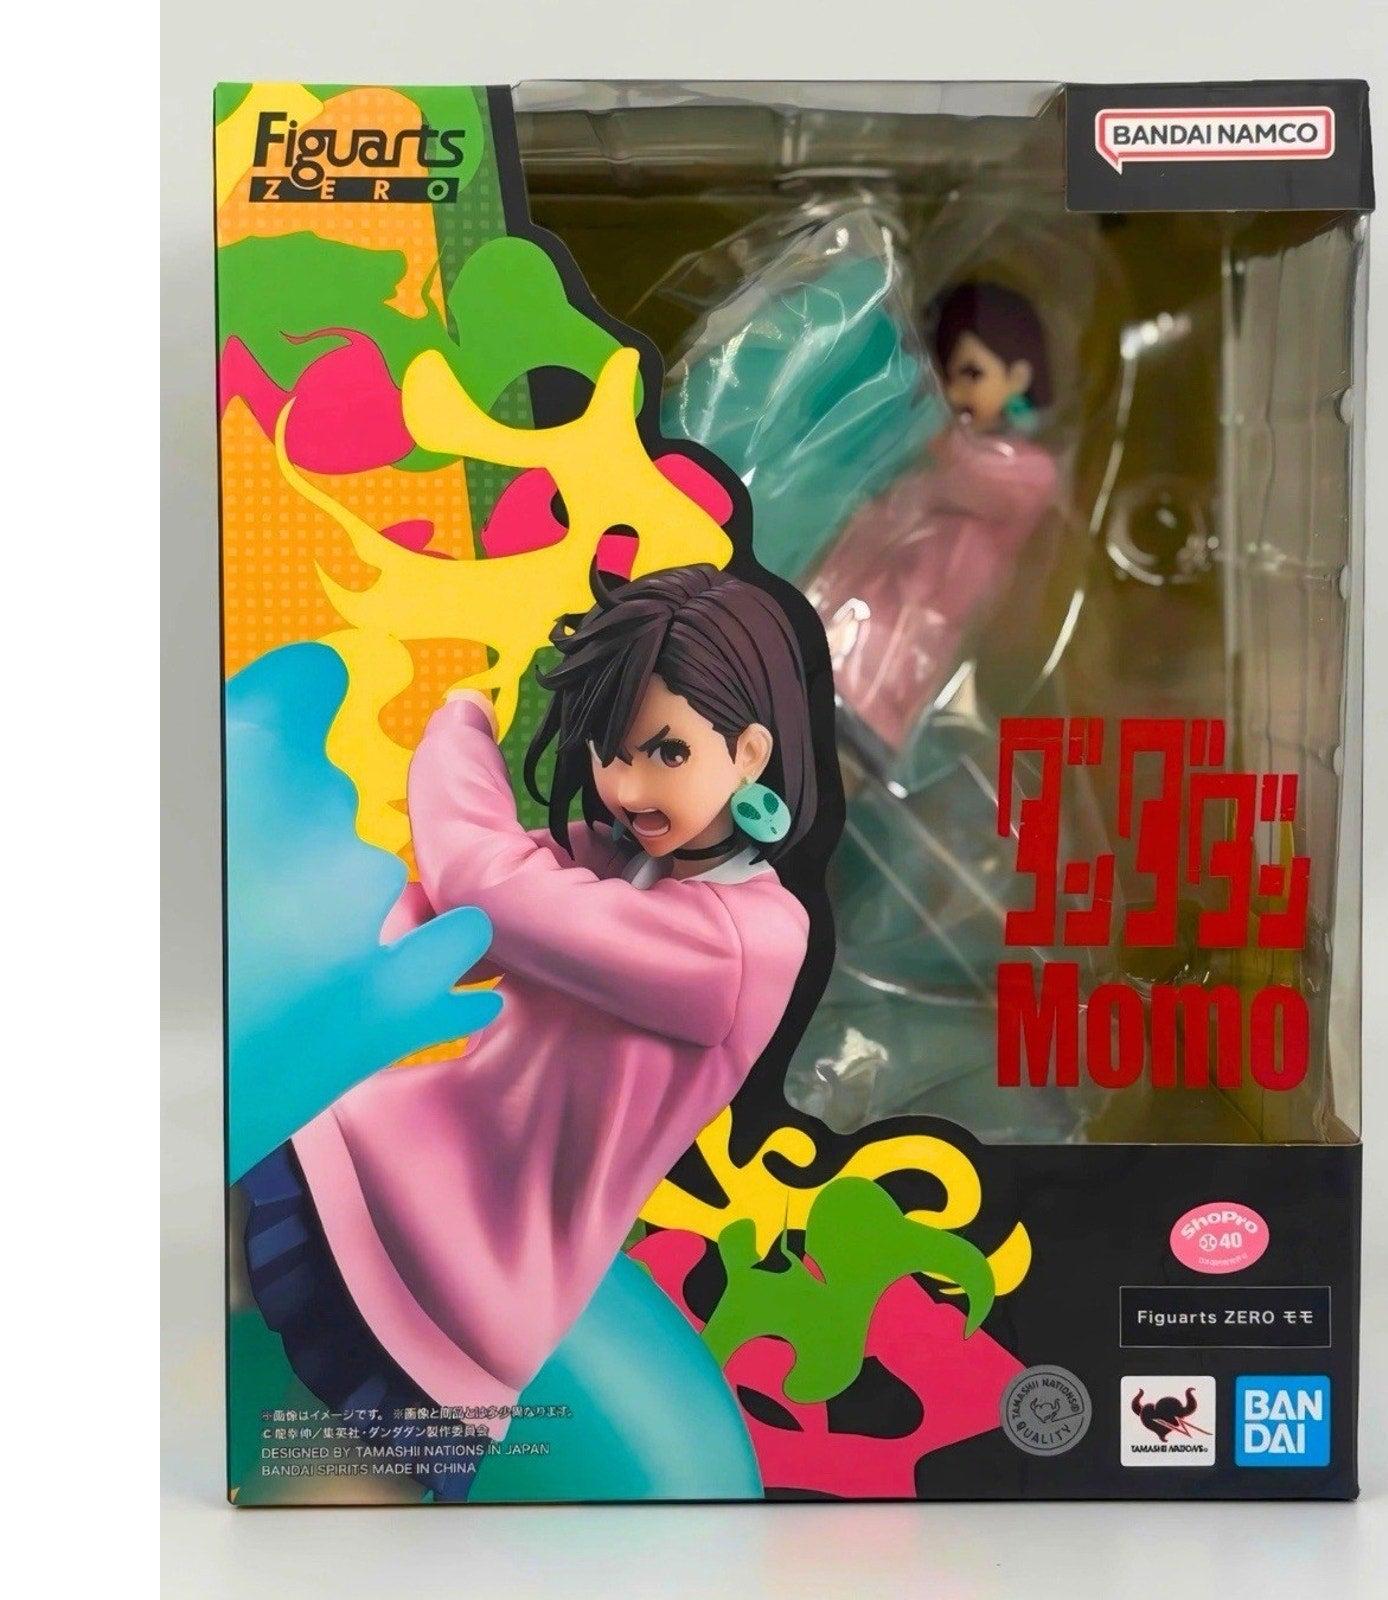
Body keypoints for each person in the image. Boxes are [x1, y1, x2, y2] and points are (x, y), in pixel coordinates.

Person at [241, 563, 820, 1500]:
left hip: (466, 1280)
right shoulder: (617, 862)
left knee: (323, 1511)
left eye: (666, 752)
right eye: (609, 752)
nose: (626, 786)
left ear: (749, 752)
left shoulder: (743, 944)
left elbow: (484, 889)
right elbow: (444, 925)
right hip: (367, 1161)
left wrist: (459, 724)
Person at [805, 281, 1060, 765]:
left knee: (832, 767)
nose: (954, 392)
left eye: (972, 373)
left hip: (889, 678)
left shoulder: (1026, 472)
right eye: (946, 375)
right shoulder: (923, 471)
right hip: (835, 641)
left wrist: (926, 426)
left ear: (1018, 377)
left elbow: (978, 479)